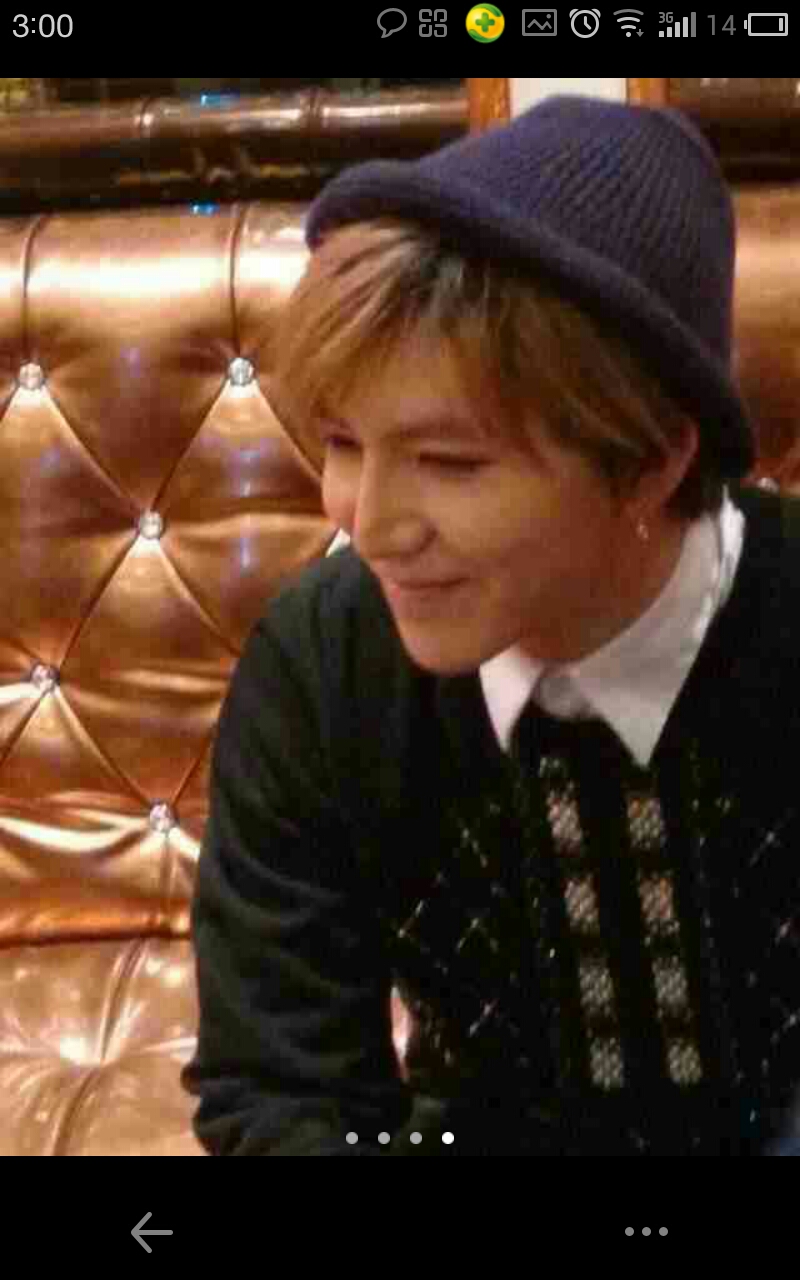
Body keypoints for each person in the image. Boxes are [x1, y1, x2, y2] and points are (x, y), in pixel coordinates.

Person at [180, 95, 800, 1155]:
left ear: (653, 459)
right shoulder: (321, 669)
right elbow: (278, 1089)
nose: (368, 524)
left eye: (449, 462)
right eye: (342, 443)